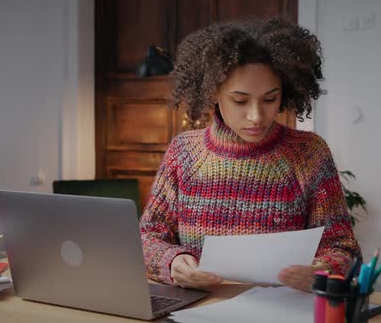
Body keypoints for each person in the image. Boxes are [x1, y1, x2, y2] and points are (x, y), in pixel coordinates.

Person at [139, 17, 361, 293]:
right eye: (240, 100)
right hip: (199, 310)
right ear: (213, 92)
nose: (256, 116)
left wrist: (323, 269)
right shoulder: (183, 153)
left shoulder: (309, 154)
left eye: (270, 99)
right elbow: (148, 238)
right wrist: (172, 262)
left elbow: (342, 247)